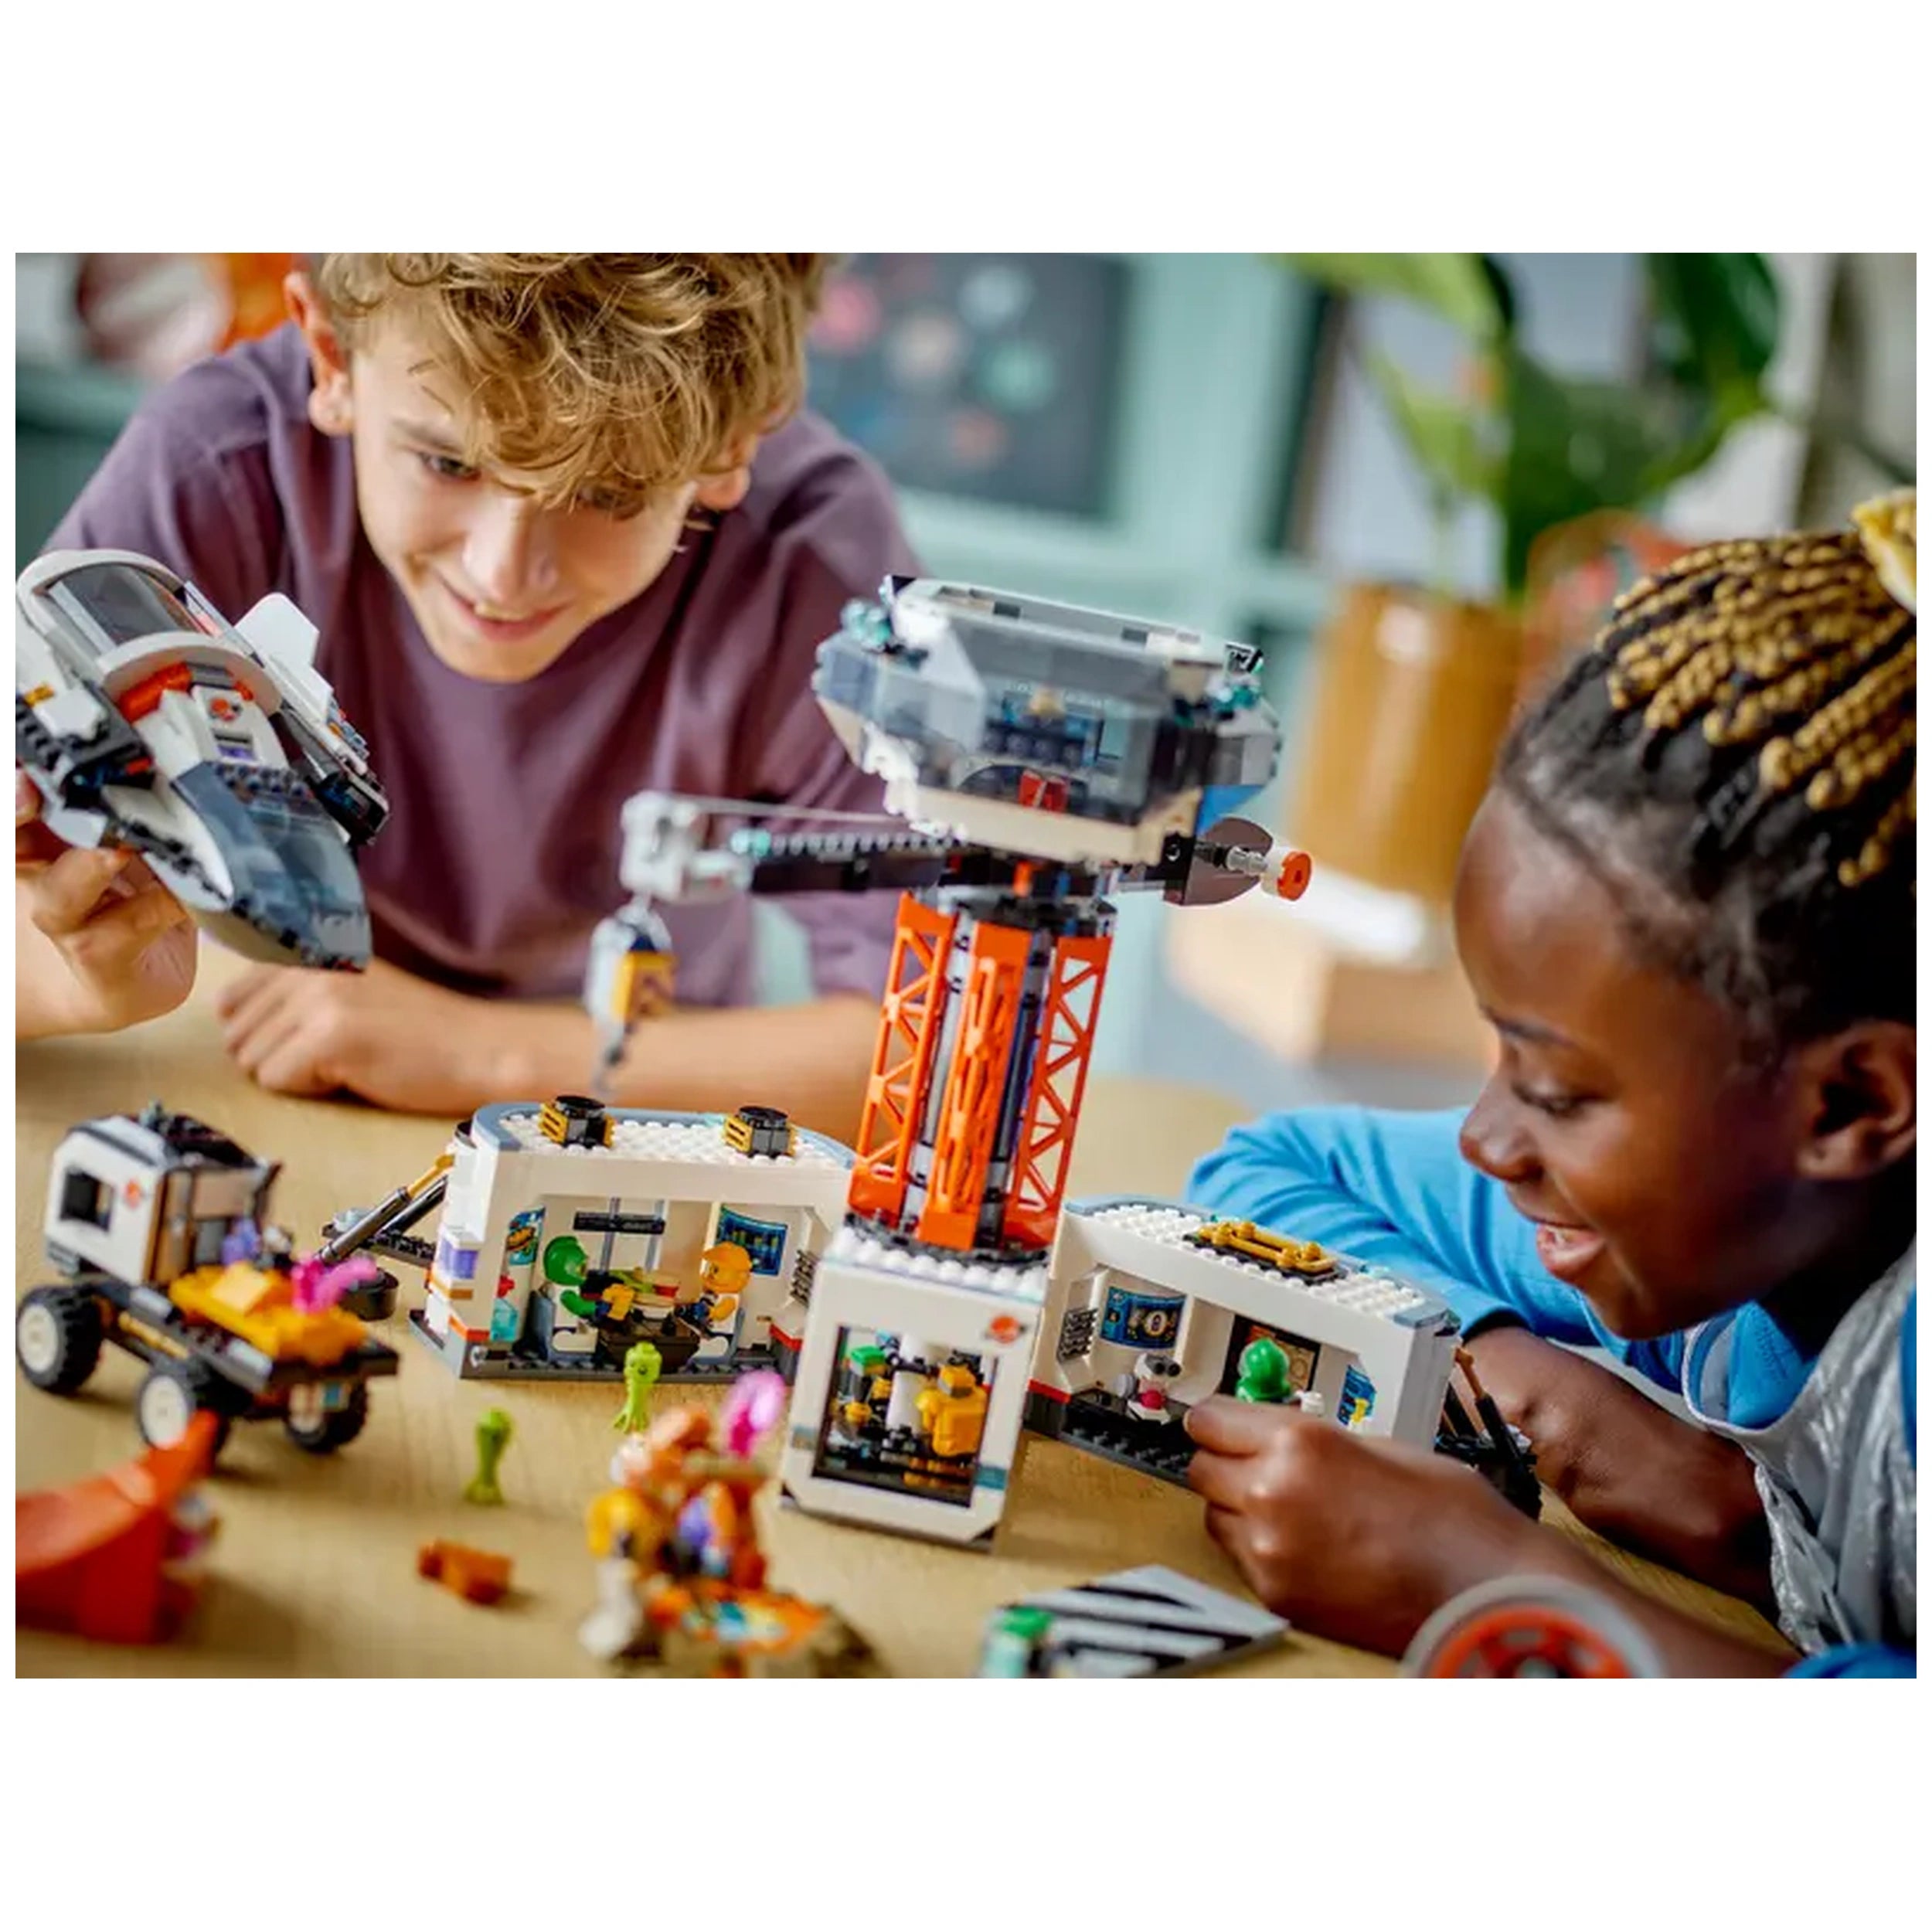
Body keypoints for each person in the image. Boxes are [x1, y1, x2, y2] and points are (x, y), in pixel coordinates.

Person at [1182, 492, 1917, 1677]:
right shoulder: (1736, 1255)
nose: (1486, 1138)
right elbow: (1266, 1175)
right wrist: (1566, 1418)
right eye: (1500, 1057)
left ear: (1850, 1107)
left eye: (1559, 1091)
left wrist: (1497, 1584)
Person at [24, 254, 917, 1138]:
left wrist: (489, 1056)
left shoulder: (813, 567)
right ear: (333, 358)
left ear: (732, 445)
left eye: (605, 490)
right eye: (448, 463)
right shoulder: (214, 466)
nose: (503, 574)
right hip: (232, 1058)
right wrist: (58, 978)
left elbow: (923, 1057)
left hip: (635, 1127)